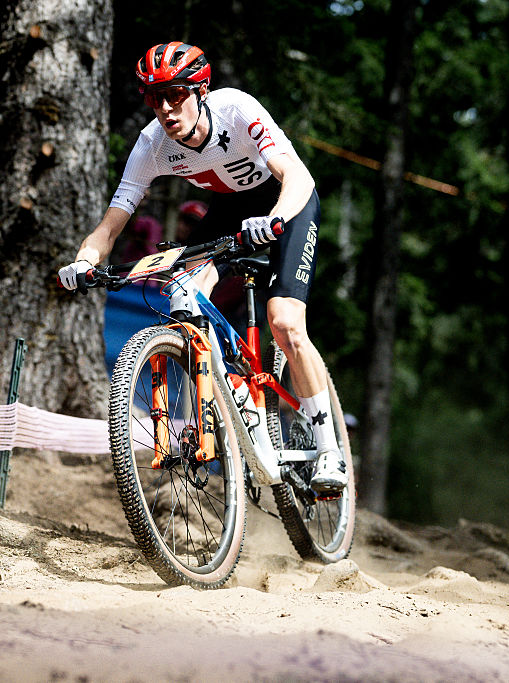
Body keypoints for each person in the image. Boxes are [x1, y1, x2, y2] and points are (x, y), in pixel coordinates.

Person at [59, 42, 346, 494]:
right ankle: (236, 400)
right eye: (155, 98)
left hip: (284, 203)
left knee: (285, 323)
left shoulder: (236, 109)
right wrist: (84, 261)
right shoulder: (152, 144)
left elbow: (298, 177)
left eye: (176, 94)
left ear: (201, 90)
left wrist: (274, 219)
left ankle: (328, 448)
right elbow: (111, 224)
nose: (166, 109)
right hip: (230, 209)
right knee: (182, 291)